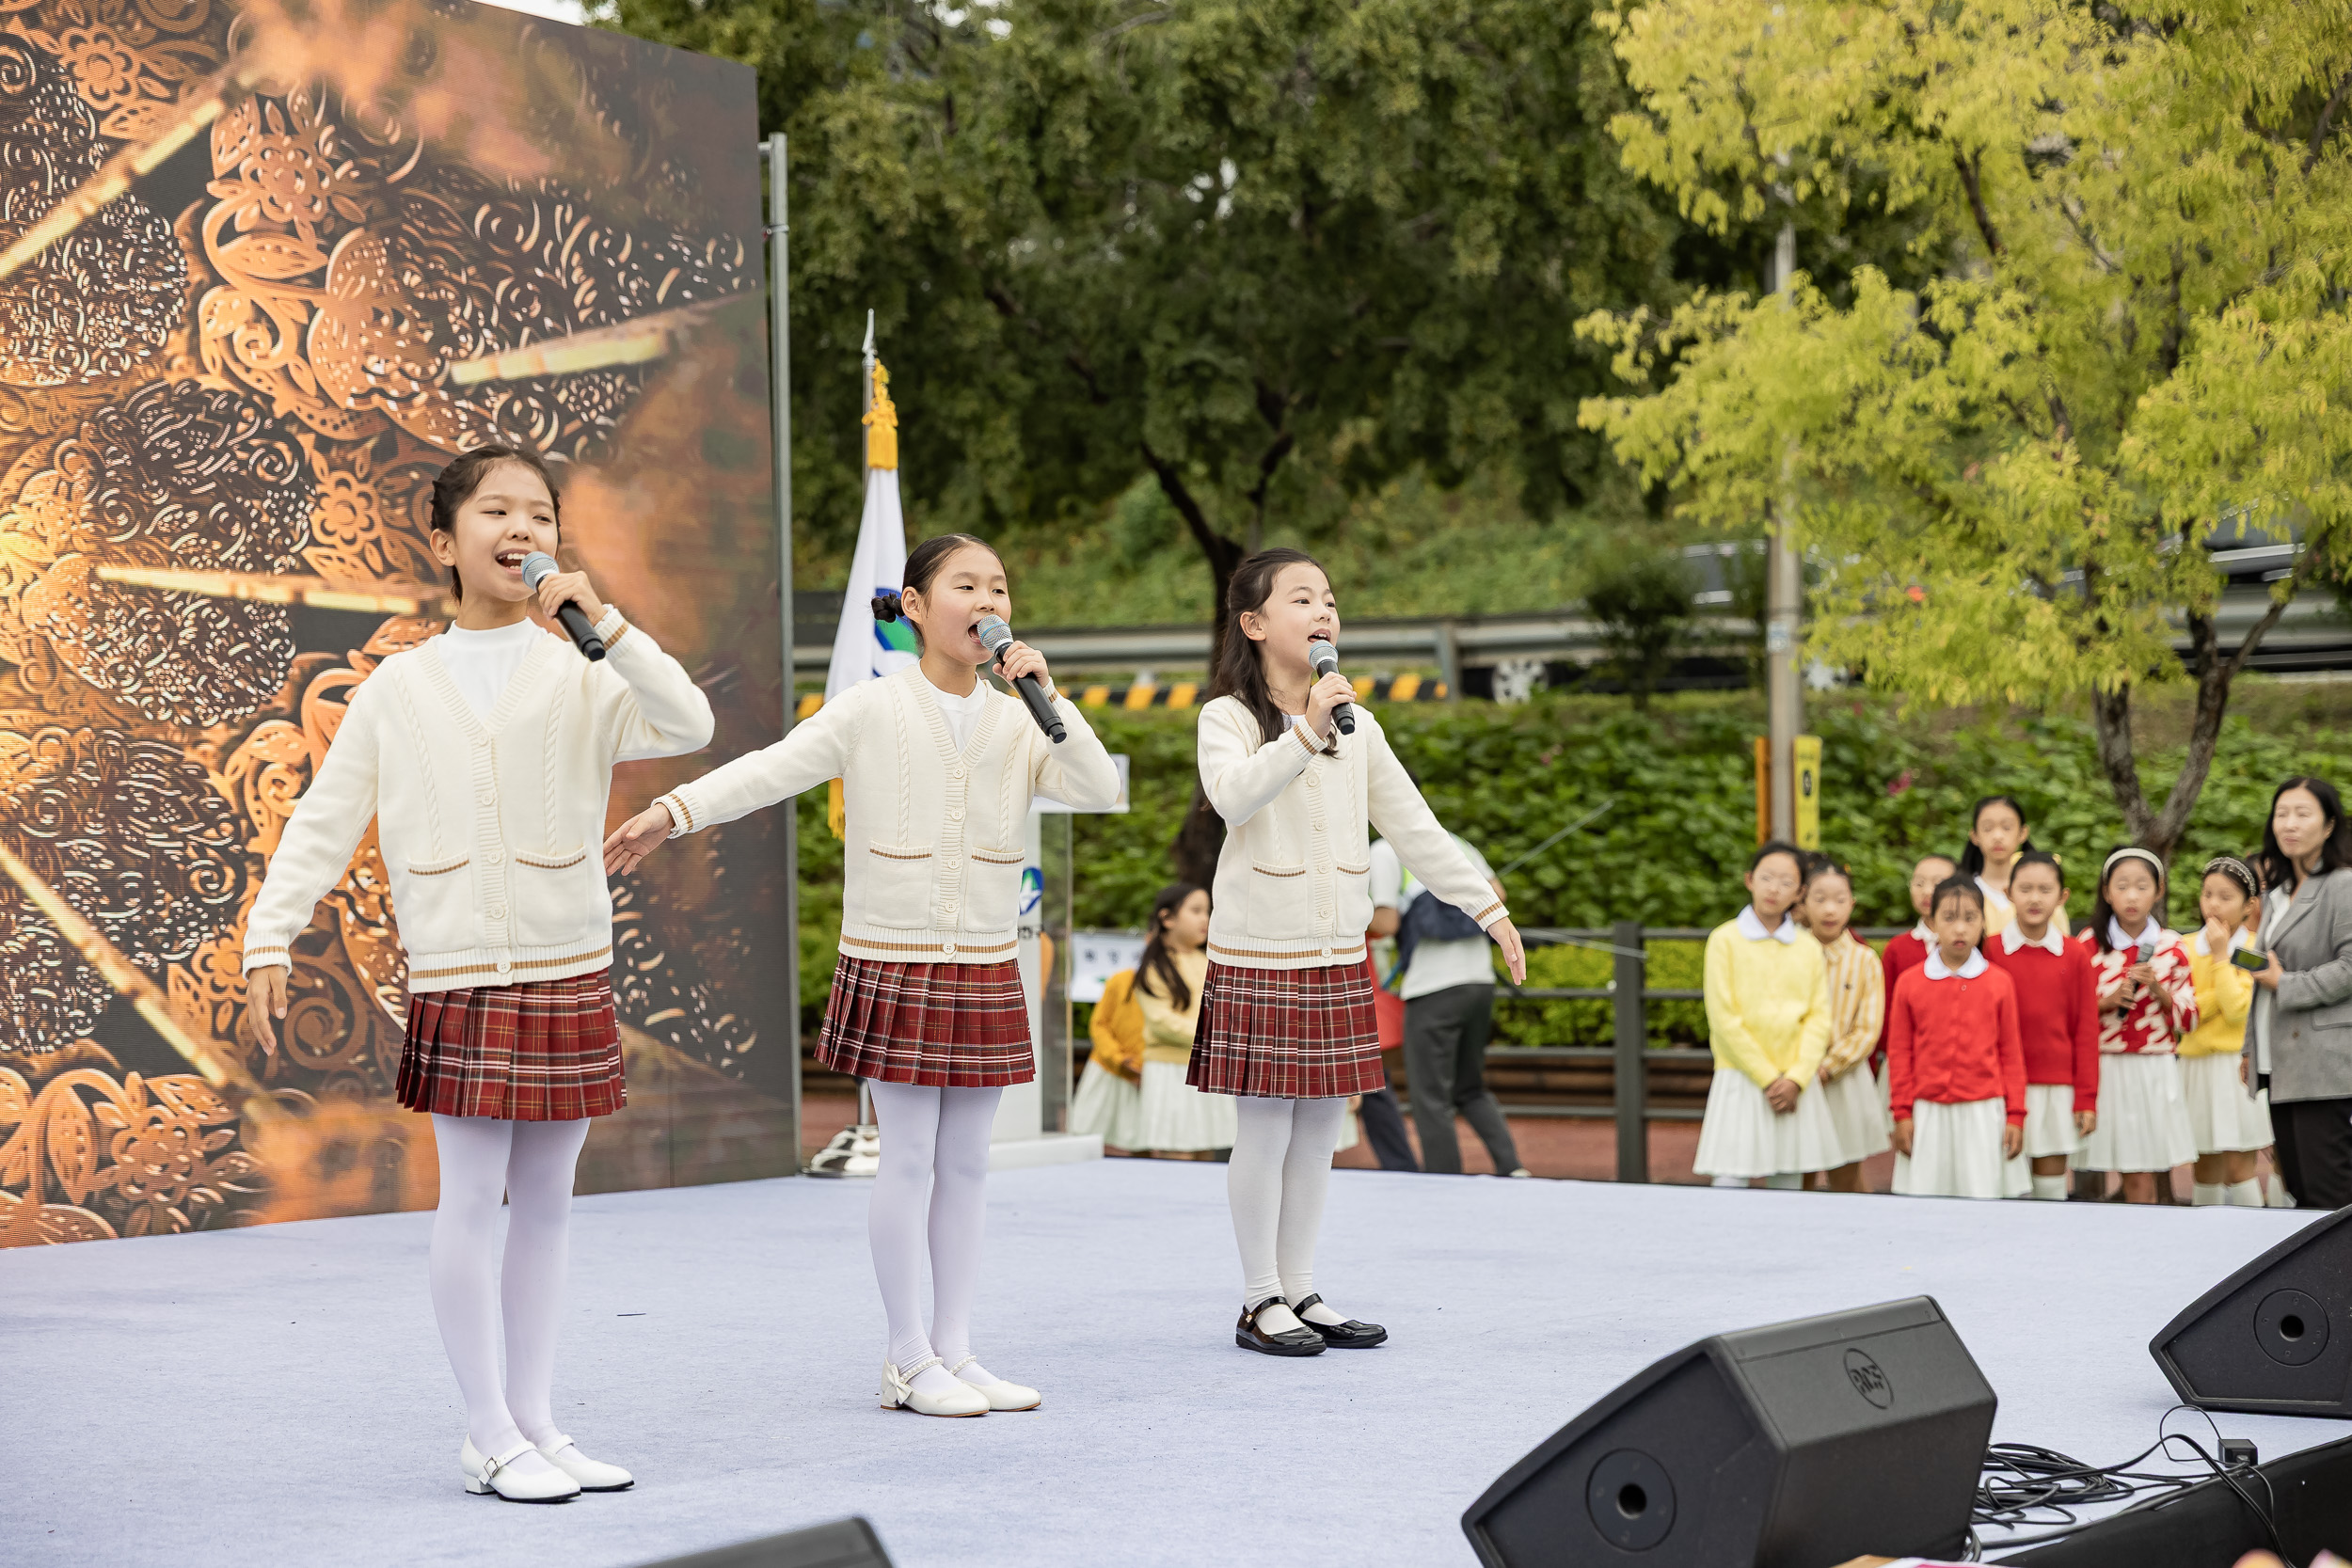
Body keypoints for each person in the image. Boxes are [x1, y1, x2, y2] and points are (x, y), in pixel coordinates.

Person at [240, 446, 713, 1500]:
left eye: (538, 513)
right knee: (470, 1200)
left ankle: (536, 1419)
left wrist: (612, 624)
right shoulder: (399, 688)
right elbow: (325, 820)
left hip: (568, 961)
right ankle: (486, 1428)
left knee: (547, 1200)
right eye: (495, 510)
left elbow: (690, 722)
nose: (521, 527)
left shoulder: (589, 668)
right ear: (446, 541)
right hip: (460, 969)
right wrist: (270, 935)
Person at [604, 532, 1119, 1415]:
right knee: (909, 1159)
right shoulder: (872, 708)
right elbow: (771, 772)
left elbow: (1099, 784)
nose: (988, 600)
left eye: (998, 586)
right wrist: (673, 809)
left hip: (986, 960)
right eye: (966, 584)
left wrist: (1050, 695)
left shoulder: (1019, 717)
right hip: (897, 956)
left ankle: (956, 1349)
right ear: (916, 606)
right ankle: (905, 1354)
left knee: (968, 1165)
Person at [1189, 547, 1525, 1357]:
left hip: (1336, 953)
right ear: (1255, 622)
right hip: (1261, 951)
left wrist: (1483, 903)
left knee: (1318, 1133)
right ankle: (1257, 1297)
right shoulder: (1227, 716)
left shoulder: (1358, 725)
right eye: (1303, 598)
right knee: (1264, 1131)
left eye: (1330, 600)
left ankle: (1301, 1286)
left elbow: (1415, 826)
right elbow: (1231, 796)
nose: (1324, 613)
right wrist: (1304, 729)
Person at [1369, 828, 1528, 1177]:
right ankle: (1512, 1168)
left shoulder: (1385, 849)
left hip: (1432, 988)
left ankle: (1444, 1182)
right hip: (1480, 982)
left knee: (1430, 1097)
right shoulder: (1457, 842)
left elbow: (1387, 921)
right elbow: (1497, 894)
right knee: (1470, 1086)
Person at [1694, 841, 1837, 1190]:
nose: (1774, 888)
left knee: (1787, 1182)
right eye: (1767, 877)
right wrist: (1768, 1077)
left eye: (1786, 882)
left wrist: (1797, 1078)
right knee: (1729, 1180)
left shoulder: (1807, 947)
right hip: (1741, 1077)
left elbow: (1818, 1017)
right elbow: (1723, 1017)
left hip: (1793, 1083)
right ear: (1749, 880)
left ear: (1800, 891)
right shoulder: (1725, 940)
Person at [2073, 847, 2200, 1204]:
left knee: (2143, 1172)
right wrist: (2107, 1002)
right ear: (2106, 891)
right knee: (2101, 1168)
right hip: (2104, 1065)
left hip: (2153, 1067)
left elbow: (2189, 1018)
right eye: (2122, 886)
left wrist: (2159, 990)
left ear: (2158, 891)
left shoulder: (2171, 946)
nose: (2131, 896)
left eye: (2142, 886)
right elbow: (2069, 1015)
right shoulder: (2087, 945)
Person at [1888, 878, 2026, 1198]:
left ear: (1983, 922)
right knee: (1926, 1203)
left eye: (1970, 918)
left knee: (1982, 1199)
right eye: (1949, 918)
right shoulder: (1910, 983)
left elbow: (2011, 1053)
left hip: (1983, 1110)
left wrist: (2015, 1114)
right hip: (1928, 1111)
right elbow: (1900, 1051)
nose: (1960, 929)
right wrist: (1902, 1113)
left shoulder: (1999, 982)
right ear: (1933, 922)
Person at [2249, 776, 2352, 1209]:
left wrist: (2284, 983)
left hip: (2324, 1064)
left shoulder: (2343, 884)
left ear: (2329, 826)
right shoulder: (2276, 895)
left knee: (2329, 1190)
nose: (2289, 824)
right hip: (2278, 1061)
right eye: (2281, 814)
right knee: (2298, 1188)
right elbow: (2264, 975)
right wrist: (2248, 1048)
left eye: (2302, 814)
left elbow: (2349, 967)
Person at [1983, 850, 2099, 1200]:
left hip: (2055, 1089)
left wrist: (2086, 1098)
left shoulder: (2075, 954)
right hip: (2000, 1088)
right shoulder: (1989, 950)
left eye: (2045, 889)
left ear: (2062, 897)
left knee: (2050, 1189)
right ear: (2008, 892)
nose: (2035, 898)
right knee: (2006, 1186)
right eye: (2026, 888)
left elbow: (2086, 1029)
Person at [2181, 856, 2273, 1206]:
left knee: (2239, 1167)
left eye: (2226, 896)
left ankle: (2257, 1248)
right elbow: (2186, 1012)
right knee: (2204, 1165)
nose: (2214, 904)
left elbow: (2238, 1012)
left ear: (2249, 905)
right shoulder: (2184, 947)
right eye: (2208, 894)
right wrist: (2222, 990)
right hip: (2196, 1068)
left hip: (2237, 1066)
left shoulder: (2254, 949)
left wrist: (2221, 957)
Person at [1799, 857, 1888, 1194]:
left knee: (1846, 1174)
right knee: (1797, 1170)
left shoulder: (1864, 959)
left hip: (1844, 1079)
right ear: (1803, 902)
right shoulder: (1790, 953)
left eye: (1839, 899)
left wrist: (1827, 1067)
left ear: (1852, 903)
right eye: (1819, 899)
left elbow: (1868, 1028)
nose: (1829, 909)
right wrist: (1801, 1069)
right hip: (1797, 1078)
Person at [1134, 883, 1236, 1158]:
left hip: (1206, 1069)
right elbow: (1161, 1022)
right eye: (1196, 911)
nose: (1206, 919)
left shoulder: (1211, 962)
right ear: (1167, 918)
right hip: (1170, 1071)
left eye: (1208, 911)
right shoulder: (1155, 966)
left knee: (1206, 1151)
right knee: (1176, 1153)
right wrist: (1216, 1038)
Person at [1879, 853, 1959, 1106]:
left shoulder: (1972, 946)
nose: (1927, 891)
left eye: (1937, 882)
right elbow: (1886, 1010)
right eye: (1919, 882)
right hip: (1907, 1062)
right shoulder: (1898, 948)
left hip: (1959, 1064)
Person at [1073, 966, 1147, 1154]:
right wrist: (1118, 1059)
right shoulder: (1121, 980)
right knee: (1094, 1142)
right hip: (1109, 1071)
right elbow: (1099, 1024)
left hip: (1150, 1077)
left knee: (1148, 1148)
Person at [1961, 795, 2033, 938]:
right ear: (1974, 835)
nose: (1998, 836)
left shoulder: (2041, 890)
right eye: (1988, 828)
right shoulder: (1961, 892)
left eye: (2007, 827)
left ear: (2023, 833)